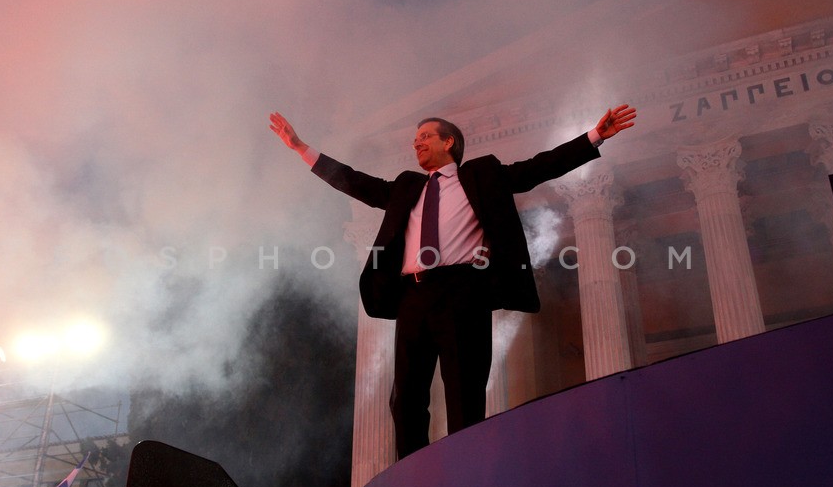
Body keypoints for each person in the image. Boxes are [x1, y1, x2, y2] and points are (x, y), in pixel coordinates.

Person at [269, 104, 636, 459]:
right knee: (405, 398)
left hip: (463, 292)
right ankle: (413, 474)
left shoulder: (481, 175)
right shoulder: (406, 187)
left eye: (425, 136)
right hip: (413, 295)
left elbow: (537, 168)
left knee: (464, 393)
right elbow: (353, 181)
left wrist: (594, 136)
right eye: (415, 138)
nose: (416, 143)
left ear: (449, 142)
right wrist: (301, 148)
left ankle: (466, 470)